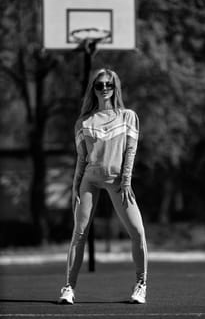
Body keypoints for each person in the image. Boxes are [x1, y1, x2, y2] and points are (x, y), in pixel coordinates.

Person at [58, 68, 148, 304]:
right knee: (79, 234)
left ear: (115, 87)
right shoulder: (83, 122)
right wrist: (75, 187)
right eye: (99, 85)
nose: (105, 88)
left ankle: (141, 284)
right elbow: (81, 158)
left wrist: (126, 181)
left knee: (137, 232)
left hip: (118, 180)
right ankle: (68, 288)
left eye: (109, 84)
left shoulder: (128, 116)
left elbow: (130, 152)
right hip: (89, 179)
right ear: (93, 89)